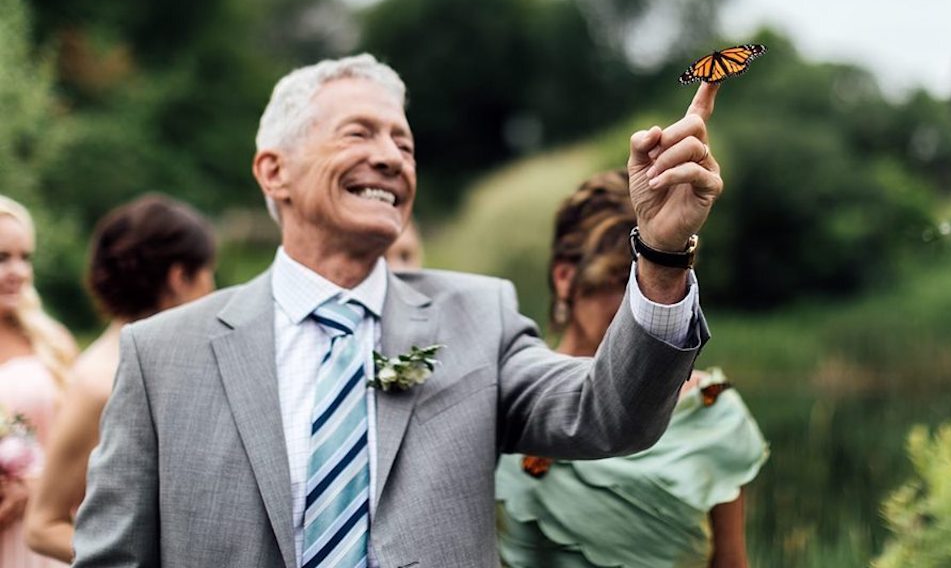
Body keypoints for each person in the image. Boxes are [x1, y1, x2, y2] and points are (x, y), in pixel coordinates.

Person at [73, 52, 724, 568]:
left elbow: (610, 418)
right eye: (359, 134)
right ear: (274, 172)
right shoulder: (162, 354)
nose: (389, 157)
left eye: (404, 145)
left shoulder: (479, 315)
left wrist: (662, 254)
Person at [496, 169, 768, 568]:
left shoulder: (713, 416)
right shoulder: (508, 395)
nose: (638, 299)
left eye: (658, 277)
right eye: (619, 279)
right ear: (566, 278)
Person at [25, 194, 216, 563]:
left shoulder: (180, 359)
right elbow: (42, 525)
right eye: (209, 273)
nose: (213, 289)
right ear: (179, 277)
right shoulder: (100, 379)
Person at [0, 195, 77, 568]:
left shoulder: (52, 342)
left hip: (40, 536)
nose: (18, 271)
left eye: (24, 257)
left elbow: (87, 448)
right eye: (2, 258)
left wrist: (33, 486)